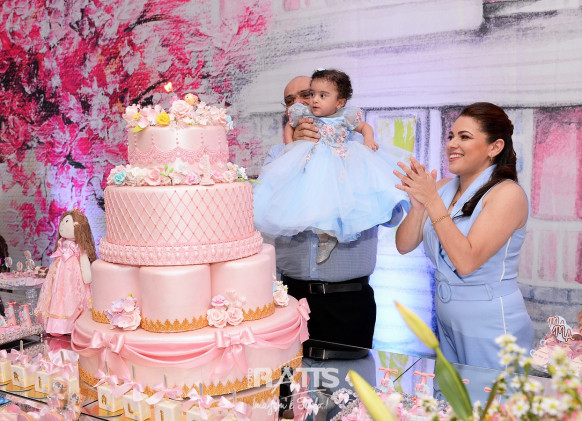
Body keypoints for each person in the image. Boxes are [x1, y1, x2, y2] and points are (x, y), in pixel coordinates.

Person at [394, 102, 534, 369]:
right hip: (446, 320)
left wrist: (431, 201)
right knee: (451, 395)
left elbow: (466, 262)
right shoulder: (443, 188)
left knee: (491, 396)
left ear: (495, 147)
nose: (452, 144)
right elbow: (403, 245)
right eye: (451, 136)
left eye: (464, 137)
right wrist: (419, 207)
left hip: (491, 325)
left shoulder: (507, 194)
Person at [254, 69, 406, 264]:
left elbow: (392, 216)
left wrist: (363, 149)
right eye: (290, 100)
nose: (300, 103)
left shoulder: (356, 152)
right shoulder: (278, 156)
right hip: (291, 277)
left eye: (307, 94)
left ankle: (330, 236)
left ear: (336, 100)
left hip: (351, 278)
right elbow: (265, 207)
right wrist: (293, 148)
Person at [35, 209, 97, 335]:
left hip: (73, 279)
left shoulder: (78, 247)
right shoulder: (61, 244)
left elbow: (84, 264)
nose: (62, 225)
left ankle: (71, 325)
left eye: (67, 222)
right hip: (59, 278)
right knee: (58, 296)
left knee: (72, 296)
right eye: (62, 222)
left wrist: (87, 277)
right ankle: (57, 326)